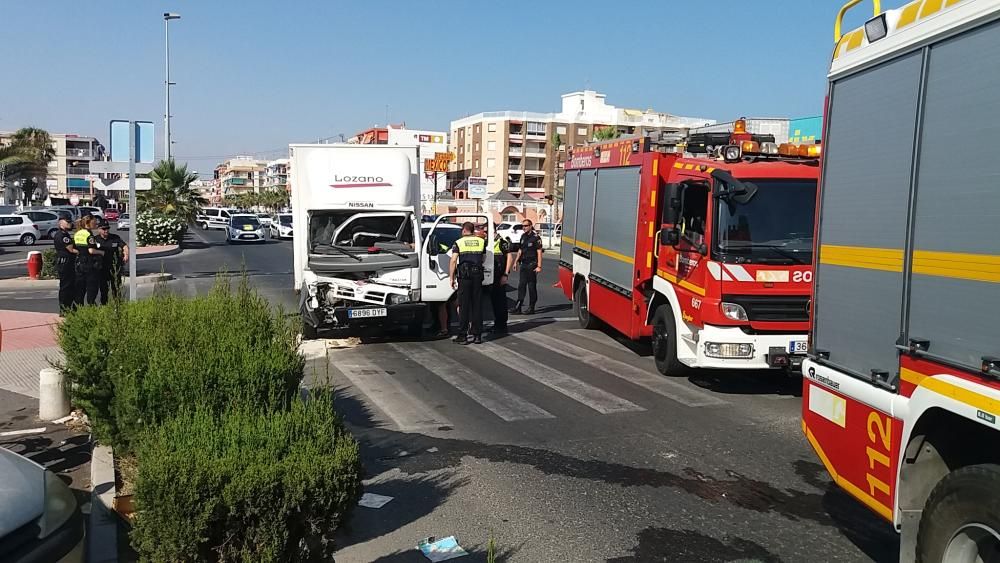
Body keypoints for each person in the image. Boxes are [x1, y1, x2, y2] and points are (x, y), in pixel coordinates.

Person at [449, 222, 486, 345]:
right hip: (477, 275)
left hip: (464, 276)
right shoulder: (481, 242)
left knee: (464, 306)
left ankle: (463, 335)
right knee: (477, 305)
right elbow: (483, 258)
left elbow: (454, 260)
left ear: (464, 230)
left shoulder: (459, 242)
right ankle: (477, 335)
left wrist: (451, 277)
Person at [88, 220, 128, 305]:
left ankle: (118, 306)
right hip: (102, 268)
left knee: (116, 289)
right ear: (99, 229)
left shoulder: (115, 237)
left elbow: (124, 246)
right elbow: (91, 250)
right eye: (103, 229)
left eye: (107, 228)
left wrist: (126, 254)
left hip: (114, 267)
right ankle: (104, 307)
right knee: (104, 290)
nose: (106, 230)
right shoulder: (96, 239)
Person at [510, 219, 543, 315]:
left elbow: (539, 252)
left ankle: (531, 307)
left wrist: (539, 266)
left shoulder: (535, 238)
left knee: (531, 287)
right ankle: (518, 307)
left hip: (532, 264)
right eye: (523, 226)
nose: (524, 227)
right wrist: (516, 261)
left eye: (526, 226)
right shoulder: (523, 236)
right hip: (523, 264)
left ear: (530, 226)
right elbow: (520, 250)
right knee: (521, 286)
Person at [488, 229, 513, 335]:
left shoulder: (502, 242)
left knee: (500, 302)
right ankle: (497, 324)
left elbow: (510, 258)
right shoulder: (488, 241)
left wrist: (505, 274)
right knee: (494, 302)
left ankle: (502, 326)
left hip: (499, 276)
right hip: (491, 277)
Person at [53, 217, 79, 315]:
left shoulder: (65, 234)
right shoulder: (62, 235)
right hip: (65, 262)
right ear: (61, 224)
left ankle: (67, 307)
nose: (69, 224)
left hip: (67, 262)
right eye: (67, 222)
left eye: (69, 222)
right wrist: (83, 252)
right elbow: (71, 249)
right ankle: (64, 309)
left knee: (70, 286)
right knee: (66, 286)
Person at [72, 215, 96, 306]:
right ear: (88, 223)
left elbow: (74, 249)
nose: (95, 223)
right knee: (91, 287)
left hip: (79, 263)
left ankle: (79, 307)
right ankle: (91, 307)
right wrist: (101, 252)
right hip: (89, 263)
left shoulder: (77, 233)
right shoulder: (88, 234)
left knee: (80, 288)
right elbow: (91, 250)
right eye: (94, 221)